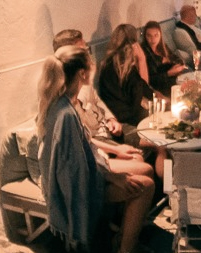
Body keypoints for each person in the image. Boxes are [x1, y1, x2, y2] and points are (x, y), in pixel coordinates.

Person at [37, 46, 154, 253]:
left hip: (89, 170)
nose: (94, 67)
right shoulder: (66, 114)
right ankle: (126, 249)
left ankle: (123, 235)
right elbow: (76, 169)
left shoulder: (61, 101)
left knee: (145, 168)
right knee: (146, 185)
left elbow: (84, 148)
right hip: (81, 188)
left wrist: (116, 155)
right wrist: (114, 177)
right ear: (82, 73)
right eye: (90, 64)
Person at [51, 30, 150, 174]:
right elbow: (84, 139)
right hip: (98, 140)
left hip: (108, 129)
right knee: (140, 163)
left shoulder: (82, 79)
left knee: (157, 141)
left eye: (86, 49)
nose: (88, 55)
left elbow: (97, 100)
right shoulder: (65, 97)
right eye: (82, 51)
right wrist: (116, 149)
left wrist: (111, 118)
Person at [98, 24, 157, 128]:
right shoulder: (125, 68)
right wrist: (142, 59)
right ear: (134, 43)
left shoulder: (107, 63)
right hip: (126, 117)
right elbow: (143, 89)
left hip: (113, 112)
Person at [140, 20, 188, 96]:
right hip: (160, 86)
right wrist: (168, 73)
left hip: (172, 79)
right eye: (149, 36)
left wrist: (176, 66)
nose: (153, 39)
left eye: (156, 35)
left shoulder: (162, 47)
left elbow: (177, 58)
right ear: (145, 36)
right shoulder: (143, 52)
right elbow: (150, 79)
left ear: (160, 35)